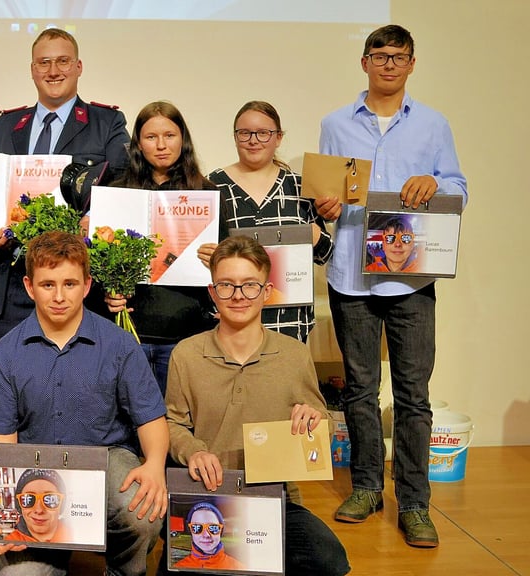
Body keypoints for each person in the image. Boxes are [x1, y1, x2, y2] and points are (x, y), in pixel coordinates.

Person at [315, 24, 467, 548]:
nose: (388, 64)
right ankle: (365, 487)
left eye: (398, 56)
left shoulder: (432, 124)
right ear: (364, 62)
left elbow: (458, 188)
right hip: (352, 274)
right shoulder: (334, 123)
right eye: (379, 55)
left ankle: (416, 503)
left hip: (411, 276)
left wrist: (438, 185)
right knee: (358, 390)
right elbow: (327, 191)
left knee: (413, 395)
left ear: (411, 63)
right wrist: (325, 206)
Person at [0, 231, 168, 576]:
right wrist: (1, 504)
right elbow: (1, 442)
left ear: (86, 284)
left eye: (69, 283)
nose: (60, 296)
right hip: (34, 467)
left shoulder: (120, 344)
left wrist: (155, 463)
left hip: (106, 456)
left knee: (140, 508)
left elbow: (150, 418)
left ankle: (125, 570)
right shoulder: (6, 353)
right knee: (20, 575)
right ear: (29, 286)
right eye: (48, 285)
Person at [165, 236, 350, 575]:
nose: (238, 296)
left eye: (250, 285)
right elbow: (173, 423)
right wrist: (193, 451)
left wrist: (315, 420)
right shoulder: (187, 354)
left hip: (275, 497)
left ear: (267, 292)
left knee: (329, 561)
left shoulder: (294, 355)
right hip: (207, 497)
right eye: (227, 285)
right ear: (212, 292)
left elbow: (318, 423)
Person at [0, 28, 131, 344]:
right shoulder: (5, 125)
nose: (53, 71)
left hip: (78, 288)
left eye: (63, 61)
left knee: (80, 386)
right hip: (12, 285)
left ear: (78, 67)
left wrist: (96, 220)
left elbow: (124, 187)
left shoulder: (107, 123)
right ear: (33, 70)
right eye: (44, 62)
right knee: (13, 385)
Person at [94, 101, 217, 393]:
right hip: (128, 334)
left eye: (170, 135)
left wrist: (217, 258)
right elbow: (97, 264)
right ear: (138, 143)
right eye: (151, 137)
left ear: (183, 139)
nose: (161, 145)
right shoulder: (116, 193)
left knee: (176, 425)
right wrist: (107, 294)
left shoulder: (207, 193)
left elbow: (228, 267)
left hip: (186, 336)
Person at [199, 100, 333, 343]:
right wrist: (206, 255)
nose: (253, 140)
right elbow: (201, 257)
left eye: (263, 133)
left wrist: (315, 237)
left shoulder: (300, 186)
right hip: (232, 316)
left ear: (278, 137)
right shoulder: (212, 186)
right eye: (245, 133)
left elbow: (324, 255)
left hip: (289, 319)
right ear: (235, 137)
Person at [172, 502, 243, 570]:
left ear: (221, 530)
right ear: (190, 531)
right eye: (197, 527)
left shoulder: (240, 568)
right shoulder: (178, 567)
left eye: (213, 528)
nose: (206, 535)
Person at [8, 468, 71, 544]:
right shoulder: (8, 545)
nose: (39, 510)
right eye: (29, 499)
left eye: (50, 499)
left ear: (62, 504)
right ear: (19, 505)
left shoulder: (76, 535)